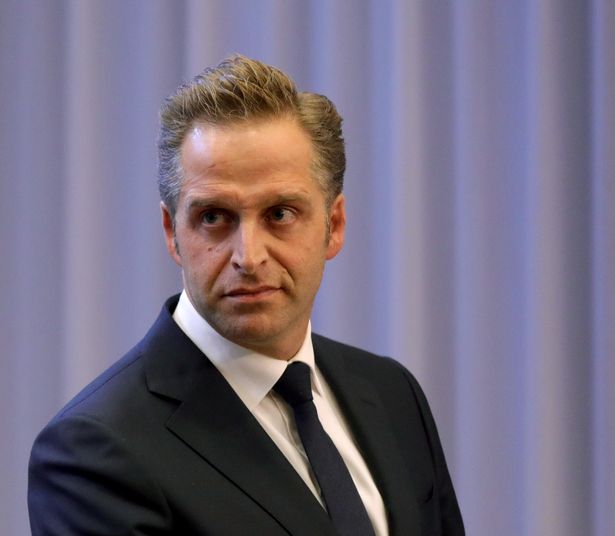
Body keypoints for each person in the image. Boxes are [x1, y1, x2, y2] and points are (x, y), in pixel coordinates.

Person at [28, 54, 464, 535]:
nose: (248, 256)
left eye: (279, 213)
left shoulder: (391, 392)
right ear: (172, 232)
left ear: (334, 225)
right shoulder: (95, 449)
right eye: (214, 217)